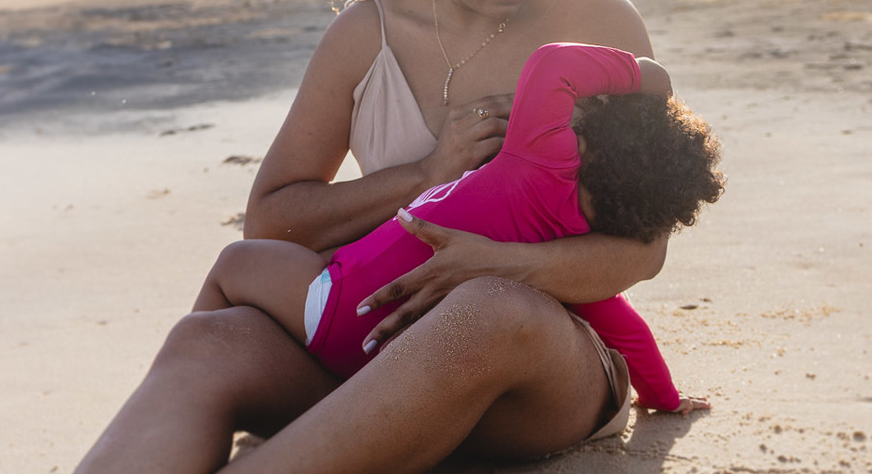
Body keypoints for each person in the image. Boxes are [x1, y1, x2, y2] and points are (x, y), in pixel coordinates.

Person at [77, 0, 707, 474]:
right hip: (372, 360)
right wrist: (423, 175)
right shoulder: (364, 36)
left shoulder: (598, 25)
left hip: (537, 368)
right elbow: (273, 221)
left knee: (485, 309)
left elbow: (643, 251)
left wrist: (498, 266)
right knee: (206, 343)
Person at [193, 43, 724, 411]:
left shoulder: (543, 155)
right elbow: (629, 332)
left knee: (234, 263)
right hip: (398, 366)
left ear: (588, 140)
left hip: (339, 309)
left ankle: (192, 370)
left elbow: (553, 64)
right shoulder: (579, 257)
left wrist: (648, 77)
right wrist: (665, 399)